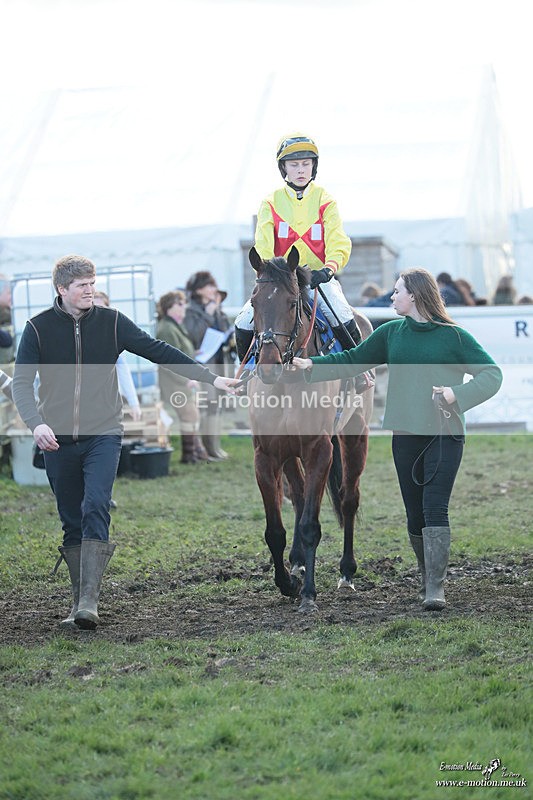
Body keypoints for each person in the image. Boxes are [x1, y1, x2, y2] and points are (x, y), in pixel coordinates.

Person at [12, 255, 240, 631]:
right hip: (56, 439)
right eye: (81, 285)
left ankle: (89, 602)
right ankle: (77, 598)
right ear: (62, 289)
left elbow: (159, 351)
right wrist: (35, 424)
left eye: (91, 283)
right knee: (71, 518)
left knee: (96, 504)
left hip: (103, 432)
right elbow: (21, 384)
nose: (89, 290)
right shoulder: (37, 329)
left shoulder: (113, 322)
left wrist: (211, 378)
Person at [292, 267, 502, 611]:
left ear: (415, 296)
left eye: (397, 291)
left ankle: (435, 587)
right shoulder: (390, 334)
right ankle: (425, 574)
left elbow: (492, 374)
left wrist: (456, 394)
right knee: (414, 513)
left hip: (444, 433)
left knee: (435, 506)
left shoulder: (454, 337)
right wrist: (311, 365)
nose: (391, 297)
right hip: (405, 435)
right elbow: (351, 360)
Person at [234, 133, 358, 361]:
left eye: (305, 164)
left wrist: (329, 269)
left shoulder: (326, 200)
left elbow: (338, 241)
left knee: (343, 313)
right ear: (284, 169)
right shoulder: (270, 202)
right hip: (280, 280)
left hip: (316, 278)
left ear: (313, 167)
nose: (300, 170)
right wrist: (268, 274)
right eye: (294, 165)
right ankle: (245, 375)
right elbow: (262, 246)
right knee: (242, 321)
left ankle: (359, 371)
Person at [155, 290, 211, 463]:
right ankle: (189, 455)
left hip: (185, 382)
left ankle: (196, 453)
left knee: (193, 416)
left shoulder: (175, 326)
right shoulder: (166, 328)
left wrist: (193, 352)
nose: (184, 307)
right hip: (176, 383)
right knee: (189, 416)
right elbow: (168, 361)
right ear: (168, 308)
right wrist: (187, 379)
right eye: (179, 304)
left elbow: (180, 351)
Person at [184, 271, 233, 461]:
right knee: (207, 404)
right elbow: (195, 335)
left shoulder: (215, 307)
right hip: (204, 364)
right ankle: (206, 448)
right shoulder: (191, 310)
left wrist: (216, 311)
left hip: (220, 361)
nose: (214, 290)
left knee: (217, 404)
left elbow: (223, 330)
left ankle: (215, 446)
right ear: (199, 289)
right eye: (210, 286)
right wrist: (209, 315)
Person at [93, 291, 142, 423]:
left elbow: (123, 370)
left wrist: (134, 403)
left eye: (102, 309)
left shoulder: (112, 338)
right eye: (94, 308)